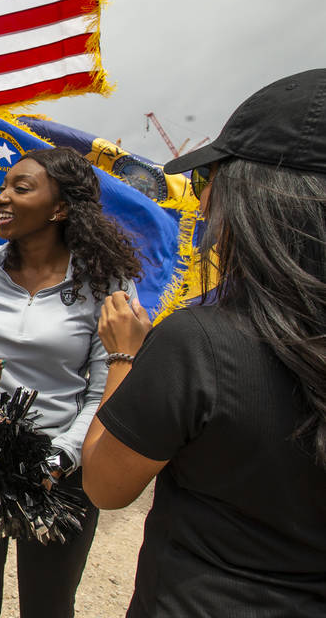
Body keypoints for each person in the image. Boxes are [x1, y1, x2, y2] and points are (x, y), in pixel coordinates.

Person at [83, 69, 326, 617]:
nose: (203, 200)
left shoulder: (203, 344)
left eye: (205, 180)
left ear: (254, 200)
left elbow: (104, 483)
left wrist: (124, 354)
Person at [0, 146, 141, 618]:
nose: (2, 197)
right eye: (2, 187)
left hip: (62, 470)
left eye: (20, 188)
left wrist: (60, 456)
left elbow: (102, 390)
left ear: (61, 207)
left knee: (49, 603)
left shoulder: (105, 283)